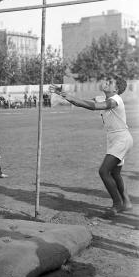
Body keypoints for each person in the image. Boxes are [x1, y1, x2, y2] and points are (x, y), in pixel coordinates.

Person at [50, 78, 133, 216]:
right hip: (114, 139)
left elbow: (94, 106)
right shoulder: (102, 97)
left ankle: (117, 203)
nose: (106, 82)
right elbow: (82, 102)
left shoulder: (115, 100)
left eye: (110, 82)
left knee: (104, 171)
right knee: (115, 173)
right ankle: (127, 203)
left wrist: (66, 95)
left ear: (116, 90)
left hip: (121, 139)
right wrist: (63, 94)